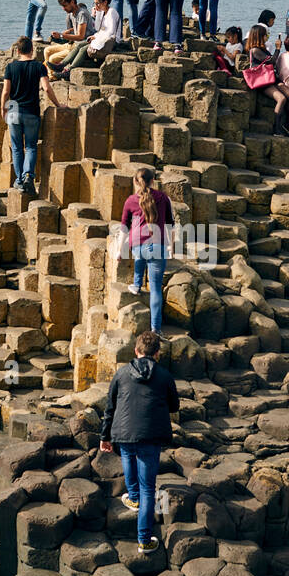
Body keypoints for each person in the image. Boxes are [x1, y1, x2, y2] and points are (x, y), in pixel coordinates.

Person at [99, 330, 180, 555]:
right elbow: (174, 406)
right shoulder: (164, 375)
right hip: (150, 436)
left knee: (127, 456)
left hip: (123, 433)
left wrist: (104, 436)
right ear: (157, 353)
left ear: (136, 351)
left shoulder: (122, 373)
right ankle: (144, 540)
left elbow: (110, 407)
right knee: (149, 489)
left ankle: (132, 497)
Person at [2, 36, 62, 194]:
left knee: (16, 148)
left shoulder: (10, 67)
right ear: (32, 50)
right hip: (31, 111)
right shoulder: (39, 67)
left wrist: (3, 109)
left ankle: (19, 181)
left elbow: (6, 92)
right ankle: (28, 175)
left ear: (17, 50)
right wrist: (58, 104)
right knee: (30, 147)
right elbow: (47, 89)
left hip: (14, 111)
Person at [121, 167, 174, 334]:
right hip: (158, 246)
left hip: (138, 245)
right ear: (153, 181)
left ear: (135, 182)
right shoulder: (163, 197)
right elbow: (170, 224)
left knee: (140, 256)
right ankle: (156, 329)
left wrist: (118, 250)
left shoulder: (130, 200)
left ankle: (137, 285)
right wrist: (171, 246)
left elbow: (124, 227)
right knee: (156, 288)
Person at [52, 0, 119, 77]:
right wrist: (97, 14)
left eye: (97, 3)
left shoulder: (112, 12)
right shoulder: (102, 13)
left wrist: (96, 37)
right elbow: (98, 28)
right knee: (79, 45)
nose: (96, 5)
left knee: (83, 49)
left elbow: (111, 31)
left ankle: (69, 70)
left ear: (105, 2)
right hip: (103, 39)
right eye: (94, 3)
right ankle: (62, 64)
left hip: (113, 41)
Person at [246, 24, 289, 137]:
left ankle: (288, 124)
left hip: (271, 78)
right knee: (281, 99)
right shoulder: (255, 50)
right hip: (263, 81)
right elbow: (272, 61)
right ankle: (276, 128)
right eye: (264, 35)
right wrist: (278, 48)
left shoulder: (263, 49)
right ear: (259, 36)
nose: (266, 37)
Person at [44, 0, 94, 73]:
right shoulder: (72, 14)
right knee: (47, 50)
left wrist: (61, 35)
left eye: (65, 5)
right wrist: (69, 31)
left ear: (72, 2)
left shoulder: (82, 13)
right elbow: (77, 28)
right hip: (73, 43)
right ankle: (49, 75)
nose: (63, 8)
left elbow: (81, 36)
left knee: (52, 58)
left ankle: (52, 76)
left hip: (79, 45)